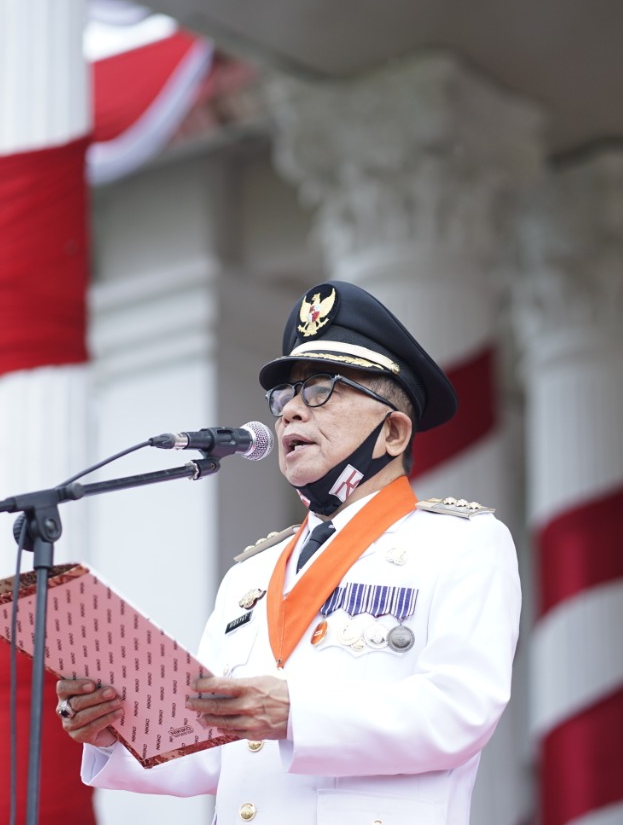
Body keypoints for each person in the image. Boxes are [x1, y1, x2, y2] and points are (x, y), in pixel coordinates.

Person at [56, 281, 522, 824]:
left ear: (394, 432)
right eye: (285, 397)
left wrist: (296, 714)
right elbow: (214, 751)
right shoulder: (250, 575)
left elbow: (458, 712)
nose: (290, 414)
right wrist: (116, 727)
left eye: (323, 389)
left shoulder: (460, 544)